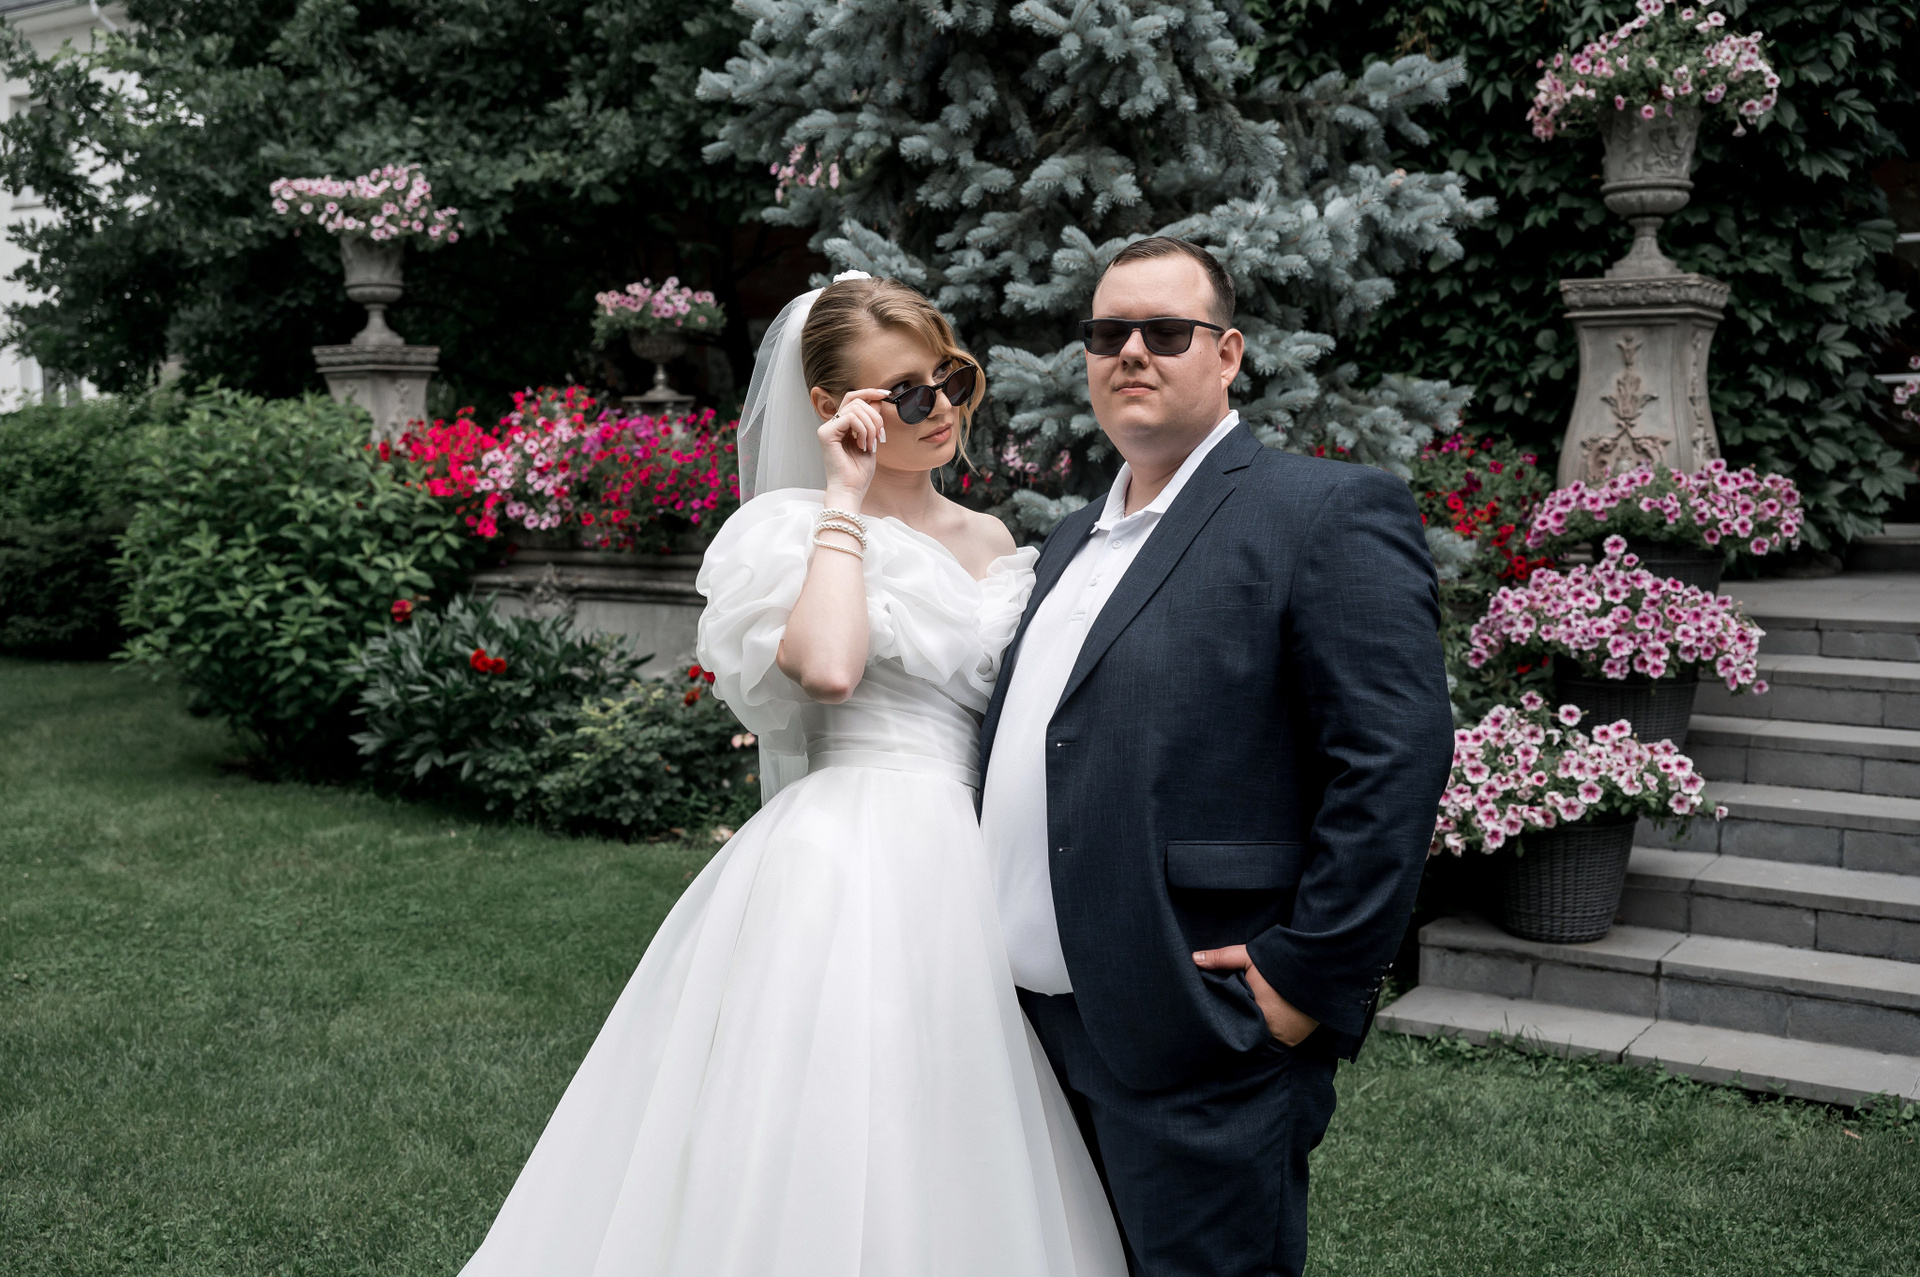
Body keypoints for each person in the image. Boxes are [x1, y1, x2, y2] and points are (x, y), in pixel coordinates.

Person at [455, 273, 1127, 1276]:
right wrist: (844, 504)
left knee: (953, 1108)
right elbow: (829, 666)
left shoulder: (993, 540)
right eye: (906, 392)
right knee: (824, 1103)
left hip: (969, 856)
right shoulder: (787, 530)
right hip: (844, 852)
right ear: (831, 406)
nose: (940, 407)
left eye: (950, 377)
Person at [980, 237, 1454, 1277]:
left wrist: (1307, 978)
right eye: (1108, 332)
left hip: (1196, 1028)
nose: (1131, 352)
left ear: (1228, 353)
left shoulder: (1322, 511)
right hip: (1031, 1039)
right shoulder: (1068, 540)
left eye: (1165, 331)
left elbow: (1395, 759)